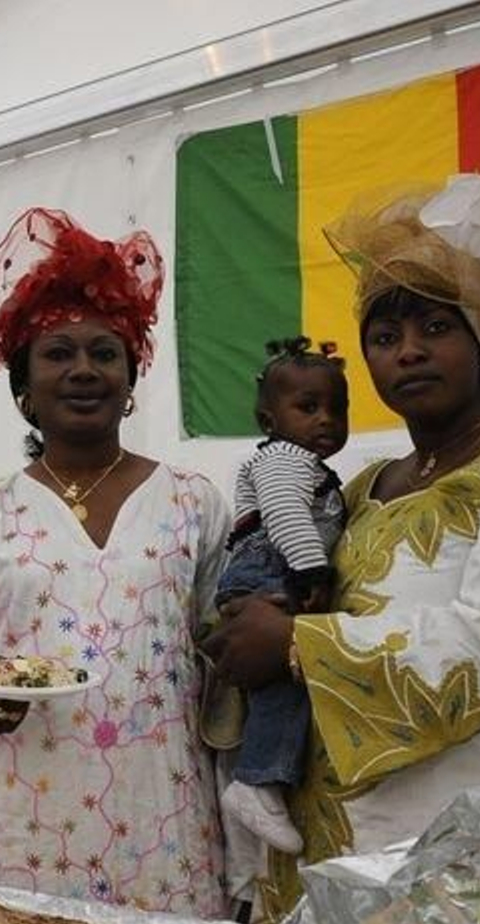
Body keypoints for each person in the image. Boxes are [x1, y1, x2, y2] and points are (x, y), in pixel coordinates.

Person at [206, 174, 480, 917]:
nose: (410, 352)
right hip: (318, 838)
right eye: (385, 337)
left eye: (435, 327)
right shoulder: (362, 487)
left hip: (449, 836)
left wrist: (297, 645)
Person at [0, 207, 232, 919]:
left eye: (104, 353)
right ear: (24, 387)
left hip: (163, 809)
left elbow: (222, 657)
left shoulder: (193, 502)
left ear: (131, 376)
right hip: (29, 812)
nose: (83, 369)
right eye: (58, 354)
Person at [216, 336, 349, 856]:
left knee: (285, 679)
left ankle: (266, 779)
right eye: (308, 407)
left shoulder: (306, 463)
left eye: (337, 408)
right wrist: (312, 570)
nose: (326, 420)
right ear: (269, 421)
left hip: (273, 569)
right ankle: (257, 782)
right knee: (285, 679)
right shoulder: (282, 459)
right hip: (269, 570)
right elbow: (284, 512)